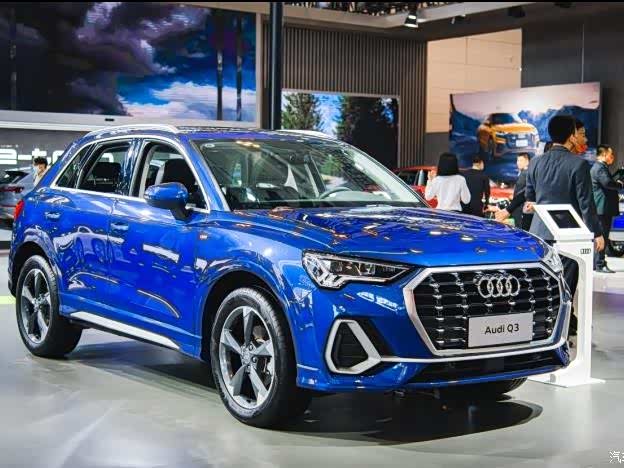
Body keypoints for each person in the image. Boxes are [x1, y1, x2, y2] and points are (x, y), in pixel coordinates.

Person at [525, 115, 604, 337]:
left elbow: (530, 196)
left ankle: (541, 329)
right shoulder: (579, 164)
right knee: (565, 286)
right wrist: (597, 233)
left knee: (542, 284)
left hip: (539, 232)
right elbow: (586, 204)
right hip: (568, 234)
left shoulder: (536, 162)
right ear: (571, 136)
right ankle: (560, 332)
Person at [591, 144, 622, 273]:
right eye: (611, 154)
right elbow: (607, 183)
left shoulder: (600, 167)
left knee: (601, 236)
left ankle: (596, 263)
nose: (613, 157)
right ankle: (600, 263)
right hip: (602, 209)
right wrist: (619, 184)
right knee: (602, 236)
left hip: (602, 208)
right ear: (604, 154)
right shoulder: (599, 168)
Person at [495, 152, 532, 229]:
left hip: (520, 208)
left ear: (527, 161)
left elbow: (523, 193)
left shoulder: (525, 173)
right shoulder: (524, 173)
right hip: (519, 208)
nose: (518, 163)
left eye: (521, 160)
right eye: (517, 160)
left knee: (520, 229)